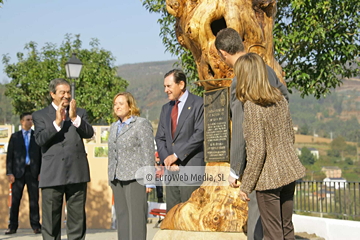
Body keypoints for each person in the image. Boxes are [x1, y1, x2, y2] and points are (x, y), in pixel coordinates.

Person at [215, 27, 289, 240]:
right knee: (282, 226)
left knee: (258, 224)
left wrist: (236, 169)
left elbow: (240, 127)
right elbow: (285, 100)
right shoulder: (267, 70)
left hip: (259, 163)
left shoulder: (240, 78)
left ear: (223, 53)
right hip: (282, 159)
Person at [235, 53, 306, 240]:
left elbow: (257, 151)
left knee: (273, 234)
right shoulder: (280, 99)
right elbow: (290, 136)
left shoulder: (251, 106)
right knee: (286, 228)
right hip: (289, 173)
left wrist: (246, 186)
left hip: (268, 180)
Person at [32, 78, 94, 240]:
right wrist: (57, 123)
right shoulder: (40, 115)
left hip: (77, 173)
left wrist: (74, 118)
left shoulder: (79, 113)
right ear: (53, 94)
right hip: (52, 175)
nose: (66, 96)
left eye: (68, 92)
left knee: (77, 221)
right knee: (51, 223)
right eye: (62, 92)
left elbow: (89, 134)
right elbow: (39, 140)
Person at [155, 69, 204, 212]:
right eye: (164, 86)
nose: (166, 90)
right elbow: (160, 137)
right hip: (171, 171)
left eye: (169, 86)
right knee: (173, 213)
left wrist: (176, 156)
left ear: (181, 84)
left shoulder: (198, 103)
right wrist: (167, 160)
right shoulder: (166, 109)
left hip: (191, 166)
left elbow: (199, 134)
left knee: (190, 214)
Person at [108, 92, 155, 240]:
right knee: (122, 218)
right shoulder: (114, 127)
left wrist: (149, 180)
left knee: (136, 219)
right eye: (115, 104)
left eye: (121, 103)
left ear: (130, 106)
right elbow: (112, 154)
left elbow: (148, 152)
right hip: (117, 178)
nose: (117, 107)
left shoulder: (141, 124)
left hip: (136, 178)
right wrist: (110, 177)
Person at [5, 113, 42, 235]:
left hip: (33, 172)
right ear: (22, 121)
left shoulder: (36, 136)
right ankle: (12, 226)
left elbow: (41, 156)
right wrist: (10, 172)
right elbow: (10, 156)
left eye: (31, 120)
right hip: (18, 173)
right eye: (28, 120)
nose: (30, 122)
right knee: (15, 201)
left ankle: (36, 225)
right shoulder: (15, 137)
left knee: (34, 200)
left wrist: (40, 172)